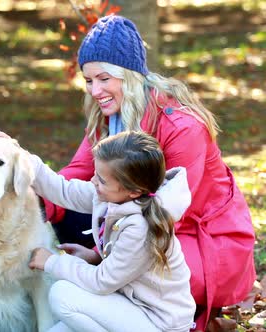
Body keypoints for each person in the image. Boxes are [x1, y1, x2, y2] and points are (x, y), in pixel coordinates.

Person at [42, 14, 255, 330]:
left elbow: (169, 213)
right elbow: (78, 171)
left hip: (200, 238)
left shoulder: (183, 127)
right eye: (88, 81)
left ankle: (175, 317)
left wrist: (102, 260)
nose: (95, 90)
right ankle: (115, 306)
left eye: (104, 79)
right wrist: (35, 200)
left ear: (127, 76)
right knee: (66, 209)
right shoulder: (108, 118)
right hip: (139, 225)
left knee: (126, 262)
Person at [28, 130, 196, 332]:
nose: (93, 181)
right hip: (130, 306)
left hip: (159, 323)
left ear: (134, 190)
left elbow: (102, 282)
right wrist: (22, 157)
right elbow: (65, 191)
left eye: (101, 179)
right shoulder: (114, 196)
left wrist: (51, 261)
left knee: (62, 295)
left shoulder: (141, 227)